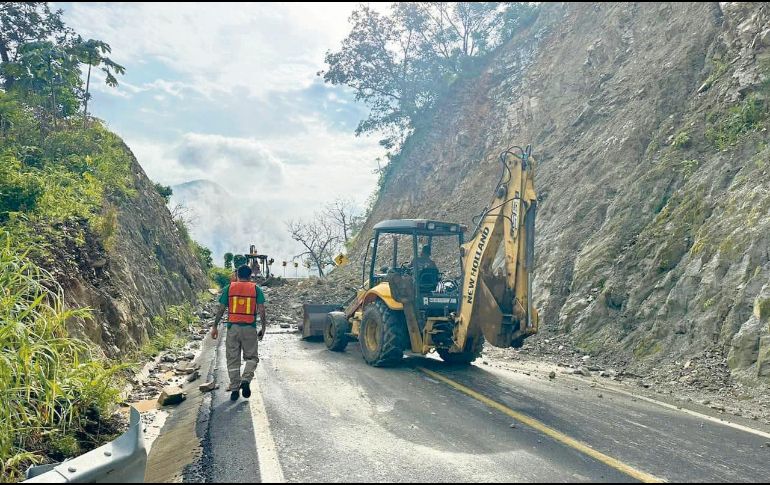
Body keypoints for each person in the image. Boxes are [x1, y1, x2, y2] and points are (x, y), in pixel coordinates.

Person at [211, 265, 267, 401]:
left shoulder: (229, 288)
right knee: (252, 358)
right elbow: (261, 310)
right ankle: (246, 380)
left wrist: (214, 326)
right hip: (249, 328)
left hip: (233, 329)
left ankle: (235, 389)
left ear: (237, 275)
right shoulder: (256, 289)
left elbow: (221, 309)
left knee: (232, 359)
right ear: (250, 276)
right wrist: (263, 328)